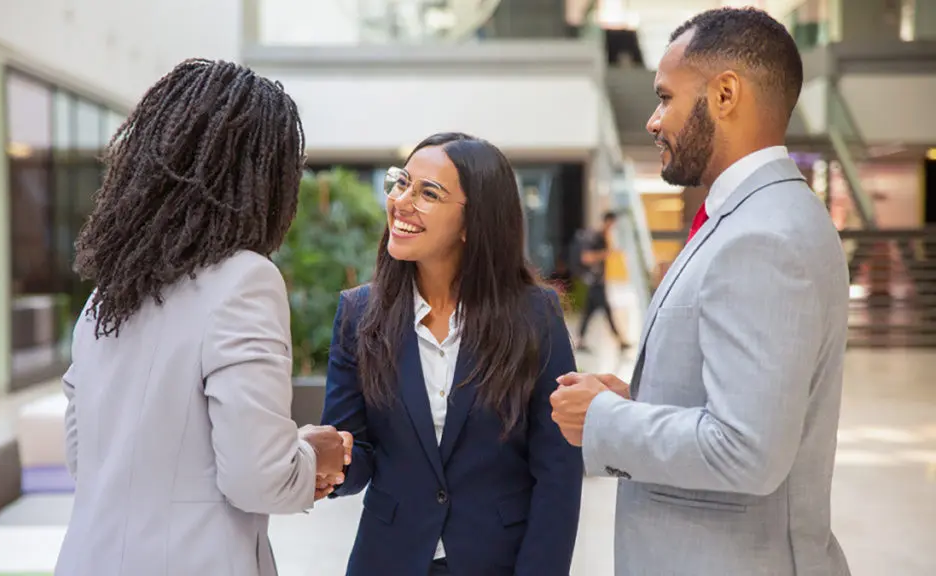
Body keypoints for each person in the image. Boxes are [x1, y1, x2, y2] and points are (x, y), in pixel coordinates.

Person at [549, 8, 851, 576]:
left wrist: (604, 419)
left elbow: (747, 450)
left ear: (726, 93)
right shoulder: (758, 216)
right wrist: (637, 402)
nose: (653, 121)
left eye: (666, 97)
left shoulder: (762, 235)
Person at [55, 59, 351, 576]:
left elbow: (85, 459)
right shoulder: (245, 280)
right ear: (264, 178)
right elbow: (257, 477)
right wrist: (313, 456)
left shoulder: (106, 295)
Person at [319, 133, 584, 576]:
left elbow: (558, 471)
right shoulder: (358, 314)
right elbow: (356, 452)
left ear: (472, 222)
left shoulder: (535, 316)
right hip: (388, 559)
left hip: (498, 560)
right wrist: (329, 463)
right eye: (401, 183)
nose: (402, 201)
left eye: (428, 193)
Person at [570, 211, 630, 351]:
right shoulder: (595, 237)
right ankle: (620, 340)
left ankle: (580, 340)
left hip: (597, 282)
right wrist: (605, 253)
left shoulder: (602, 237)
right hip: (595, 281)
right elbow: (586, 257)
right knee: (605, 311)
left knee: (589, 313)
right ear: (608, 221)